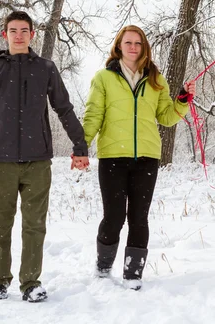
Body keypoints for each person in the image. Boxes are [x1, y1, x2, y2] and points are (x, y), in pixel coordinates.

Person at [0, 11, 90, 302]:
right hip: (1, 162)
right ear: (5, 35)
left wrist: (80, 146)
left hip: (38, 161)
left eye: (24, 30)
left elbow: (63, 108)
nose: (18, 35)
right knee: (1, 224)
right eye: (12, 30)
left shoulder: (45, 69)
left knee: (34, 225)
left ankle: (30, 283)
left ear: (32, 35)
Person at [82, 25, 195, 290]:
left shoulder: (156, 79)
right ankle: (103, 269)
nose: (133, 47)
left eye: (138, 43)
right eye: (128, 42)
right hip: (112, 156)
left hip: (146, 157)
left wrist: (182, 100)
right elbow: (93, 114)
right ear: (118, 46)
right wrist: (81, 147)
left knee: (139, 217)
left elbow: (166, 117)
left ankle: (133, 275)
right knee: (113, 216)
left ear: (144, 47)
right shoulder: (104, 78)